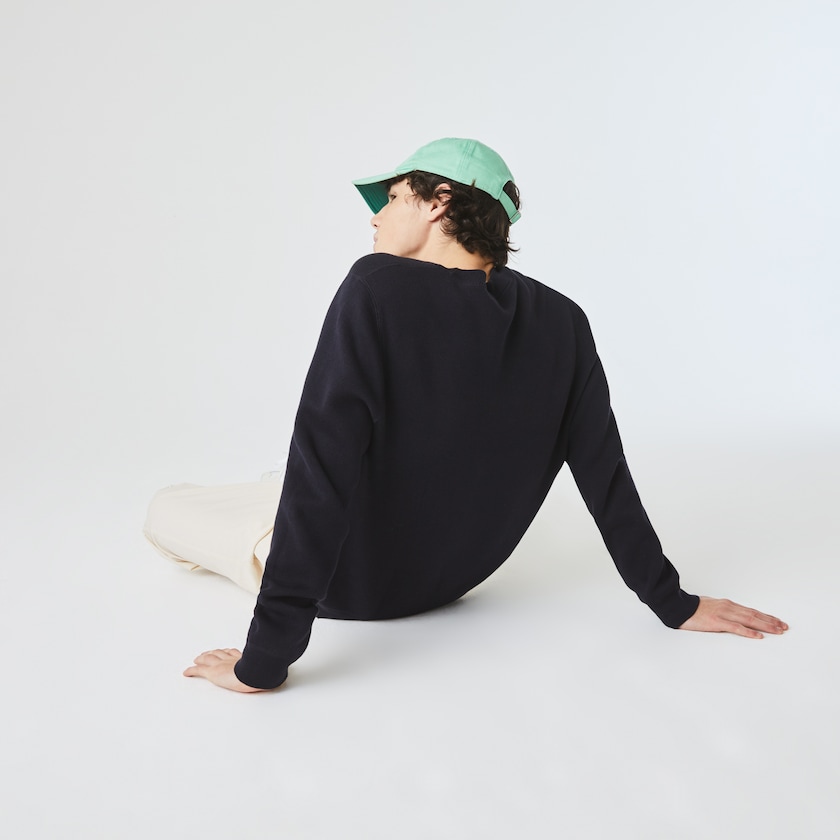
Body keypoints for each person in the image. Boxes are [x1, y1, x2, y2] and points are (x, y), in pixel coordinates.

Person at [169, 138, 787, 693]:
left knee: (170, 506)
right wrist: (673, 602)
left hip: (350, 584)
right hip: (453, 581)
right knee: (279, 485)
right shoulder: (563, 320)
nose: (376, 216)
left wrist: (263, 662)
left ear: (438, 201)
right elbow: (606, 475)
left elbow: (321, 473)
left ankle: (244, 509)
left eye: (392, 198)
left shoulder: (375, 287)